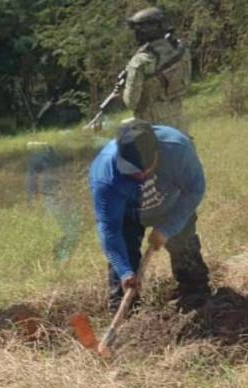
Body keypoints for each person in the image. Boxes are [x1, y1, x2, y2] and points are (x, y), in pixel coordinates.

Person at [88, 120, 210, 313]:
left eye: (143, 171)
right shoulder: (105, 174)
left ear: (157, 154)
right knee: (124, 271)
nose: (139, 177)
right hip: (128, 215)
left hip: (171, 205)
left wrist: (168, 228)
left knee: (185, 249)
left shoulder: (177, 149)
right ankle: (127, 317)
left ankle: (196, 300)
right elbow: (109, 229)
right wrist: (124, 271)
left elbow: (195, 190)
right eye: (131, 172)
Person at [122, 7, 192, 132]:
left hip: (153, 130)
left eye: (137, 30)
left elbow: (131, 102)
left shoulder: (140, 61)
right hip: (179, 124)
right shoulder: (181, 50)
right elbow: (185, 84)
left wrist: (122, 91)